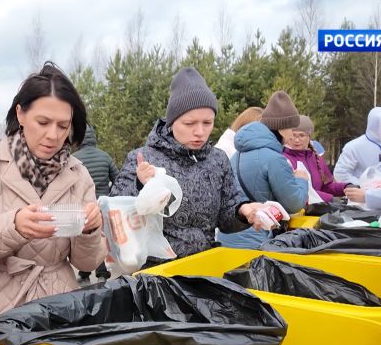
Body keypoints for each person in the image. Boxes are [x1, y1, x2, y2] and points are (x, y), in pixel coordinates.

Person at [0, 62, 106, 331]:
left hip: (60, 309)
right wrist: (13, 226)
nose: (53, 135)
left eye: (63, 126)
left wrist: (90, 231)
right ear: (20, 114)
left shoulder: (80, 175)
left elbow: (86, 263)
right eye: (43, 122)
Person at [110, 67, 265, 264]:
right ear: (172, 122)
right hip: (157, 274)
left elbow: (226, 219)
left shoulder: (218, 160)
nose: (200, 132)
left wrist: (243, 212)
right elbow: (117, 212)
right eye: (189, 123)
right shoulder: (144, 158)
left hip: (205, 266)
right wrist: (141, 186)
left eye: (207, 123)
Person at [217, 91, 309, 249]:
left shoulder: (236, 155)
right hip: (257, 239)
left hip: (227, 238)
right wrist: (302, 180)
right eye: (291, 128)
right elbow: (293, 203)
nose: (293, 135)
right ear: (281, 128)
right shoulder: (274, 159)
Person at [72, 124, 118, 284]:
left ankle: (84, 274)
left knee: (86, 240)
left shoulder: (74, 159)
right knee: (102, 239)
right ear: (94, 138)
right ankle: (102, 274)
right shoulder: (105, 156)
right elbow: (118, 180)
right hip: (103, 206)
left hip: (83, 209)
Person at [333, 106, 381, 185]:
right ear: (375, 124)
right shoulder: (354, 146)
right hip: (364, 195)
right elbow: (341, 173)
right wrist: (363, 186)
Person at [282, 115, 348, 203]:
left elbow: (326, 186)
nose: (296, 140)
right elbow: (297, 191)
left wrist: (346, 188)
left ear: (309, 137)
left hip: (318, 210)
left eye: (301, 135)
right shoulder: (283, 159)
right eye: (293, 136)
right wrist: (329, 199)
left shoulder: (317, 159)